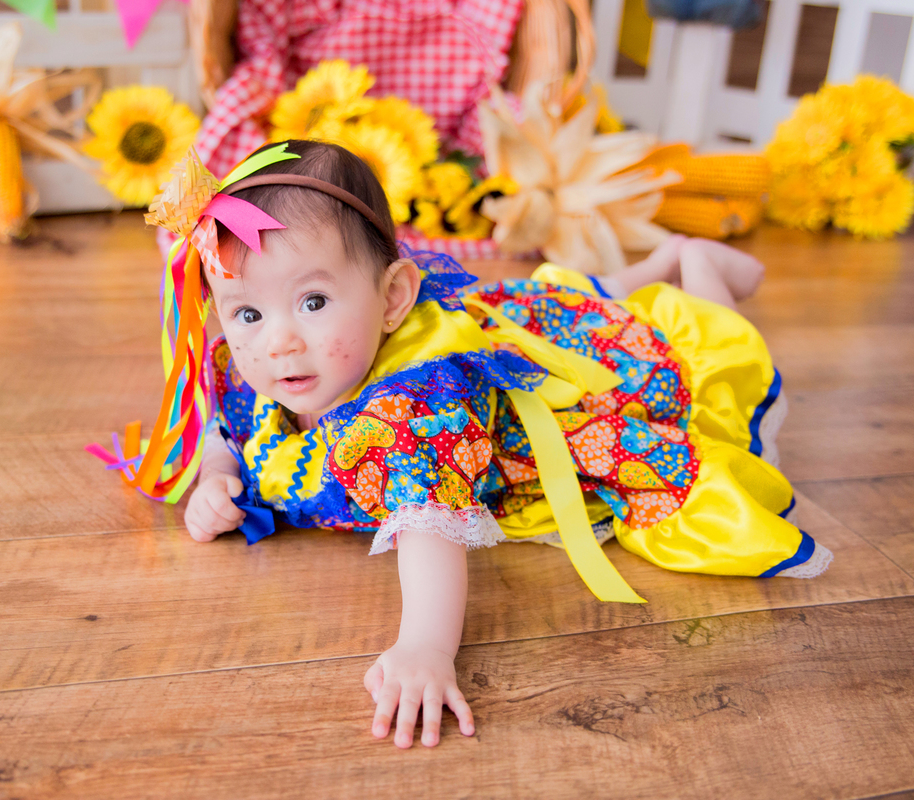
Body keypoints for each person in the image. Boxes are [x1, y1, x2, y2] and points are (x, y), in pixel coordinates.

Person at [130, 139, 830, 751]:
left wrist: (426, 646)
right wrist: (217, 476)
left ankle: (699, 273)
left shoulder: (413, 415)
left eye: (314, 302)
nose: (277, 339)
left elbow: (429, 528)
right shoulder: (260, 366)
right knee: (545, 303)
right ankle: (660, 262)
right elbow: (230, 421)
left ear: (394, 297)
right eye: (248, 312)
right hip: (495, 326)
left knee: (670, 353)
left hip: (558, 384)